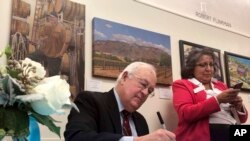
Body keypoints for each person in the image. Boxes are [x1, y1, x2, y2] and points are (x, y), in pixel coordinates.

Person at [64, 62, 176, 141]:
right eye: (143, 84)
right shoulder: (90, 101)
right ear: (124, 77)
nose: (146, 93)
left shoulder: (140, 120)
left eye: (150, 90)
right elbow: (76, 137)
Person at [172, 49, 248, 141]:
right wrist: (218, 100)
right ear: (192, 68)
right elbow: (185, 114)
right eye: (203, 65)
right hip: (208, 134)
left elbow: (242, 120)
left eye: (211, 65)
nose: (208, 69)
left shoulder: (221, 85)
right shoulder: (182, 84)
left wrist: (239, 106)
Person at [27, 12, 71, 76]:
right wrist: (42, 39)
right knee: (30, 57)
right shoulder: (47, 26)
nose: (50, 19)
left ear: (56, 18)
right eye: (49, 18)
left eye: (52, 18)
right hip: (45, 52)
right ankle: (32, 74)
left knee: (53, 76)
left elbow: (66, 42)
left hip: (54, 56)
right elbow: (40, 37)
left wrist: (60, 54)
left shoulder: (62, 29)